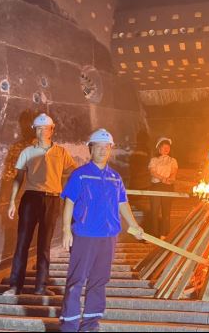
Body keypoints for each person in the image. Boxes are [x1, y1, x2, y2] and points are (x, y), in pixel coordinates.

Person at [58, 128, 144, 332]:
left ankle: (90, 325)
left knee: (99, 281)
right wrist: (66, 230)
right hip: (85, 235)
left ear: (110, 149)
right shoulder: (80, 175)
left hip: (108, 237)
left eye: (106, 147)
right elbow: (69, 202)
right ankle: (69, 325)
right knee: (76, 281)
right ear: (91, 148)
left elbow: (122, 202)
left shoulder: (115, 177)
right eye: (98, 147)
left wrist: (134, 224)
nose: (103, 150)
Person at [3, 113, 76, 297]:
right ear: (34, 130)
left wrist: (63, 185)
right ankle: (15, 286)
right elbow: (18, 178)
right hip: (30, 199)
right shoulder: (27, 152)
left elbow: (74, 172)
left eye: (46, 128)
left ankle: (41, 287)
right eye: (39, 128)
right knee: (23, 242)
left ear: (52, 130)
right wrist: (12, 202)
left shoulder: (61, 152)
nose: (43, 131)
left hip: (52, 199)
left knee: (44, 245)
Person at [148, 137, 178, 239]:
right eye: (164, 147)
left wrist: (170, 179)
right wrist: (162, 179)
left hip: (168, 187)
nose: (166, 149)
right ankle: (153, 234)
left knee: (166, 211)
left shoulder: (173, 160)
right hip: (156, 186)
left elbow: (174, 172)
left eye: (168, 147)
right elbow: (152, 172)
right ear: (159, 148)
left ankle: (164, 234)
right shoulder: (154, 160)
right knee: (154, 211)